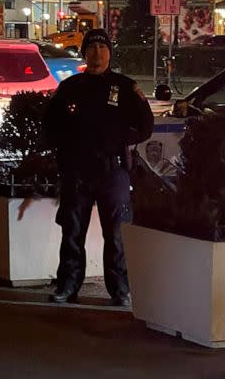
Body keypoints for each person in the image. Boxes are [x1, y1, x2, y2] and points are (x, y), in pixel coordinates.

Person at [43, 28, 154, 306]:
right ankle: (68, 285)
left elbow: (145, 125)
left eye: (103, 49)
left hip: (112, 171)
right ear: (84, 53)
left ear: (110, 53)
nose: (97, 54)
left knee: (116, 234)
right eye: (92, 49)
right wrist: (67, 149)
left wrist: (118, 140)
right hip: (77, 171)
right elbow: (50, 125)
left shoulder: (125, 87)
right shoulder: (70, 88)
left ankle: (120, 290)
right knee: (72, 232)